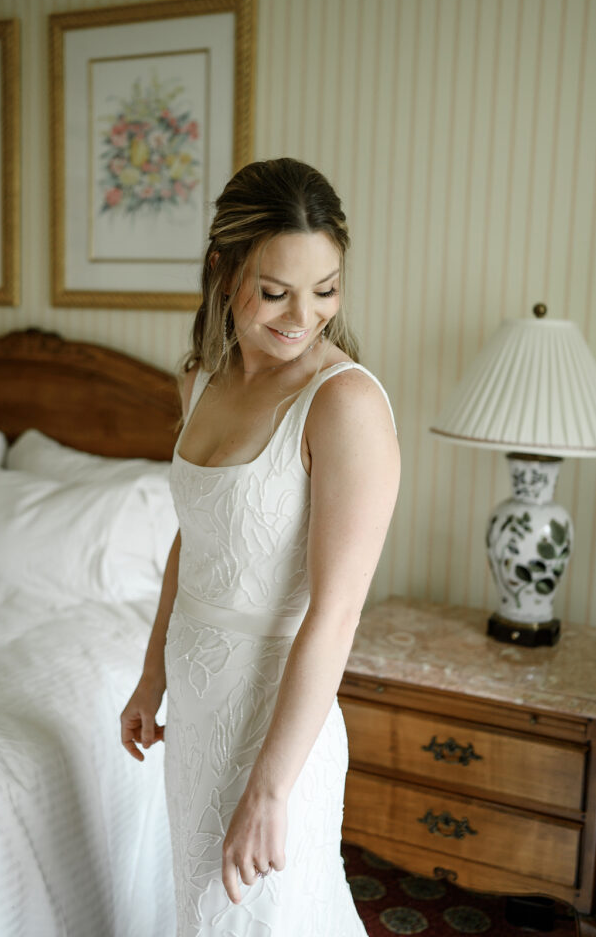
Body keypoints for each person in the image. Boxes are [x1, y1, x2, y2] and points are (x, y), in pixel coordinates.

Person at [120, 157, 400, 936]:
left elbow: (335, 615)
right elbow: (196, 539)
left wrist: (271, 789)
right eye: (274, 291)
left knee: (263, 919)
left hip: (278, 719)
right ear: (222, 268)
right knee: (202, 915)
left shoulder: (343, 405)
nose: (300, 316)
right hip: (199, 710)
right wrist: (152, 677)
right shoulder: (200, 380)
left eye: (325, 290)